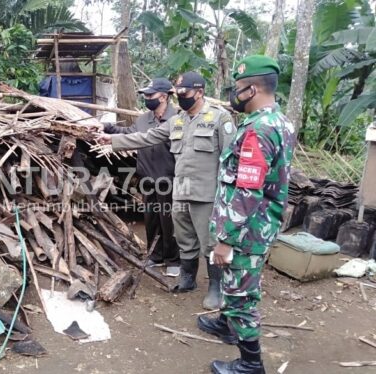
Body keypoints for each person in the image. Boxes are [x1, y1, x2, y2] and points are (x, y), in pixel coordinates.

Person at [96, 72, 235, 310]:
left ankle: (215, 288)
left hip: (206, 193)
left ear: (199, 92)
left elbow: (230, 160)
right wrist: (111, 140)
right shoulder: (177, 121)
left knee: (210, 242)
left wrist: (227, 197)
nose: (180, 97)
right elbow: (147, 137)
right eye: (178, 93)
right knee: (184, 238)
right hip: (179, 190)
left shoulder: (219, 118)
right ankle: (188, 279)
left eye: (185, 93)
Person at [198, 55, 295, 374]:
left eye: (237, 88)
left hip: (247, 230)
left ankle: (251, 363)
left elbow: (248, 189)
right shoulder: (279, 120)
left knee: (241, 294)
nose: (233, 95)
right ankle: (227, 324)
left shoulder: (259, 128)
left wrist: (226, 239)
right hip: (257, 224)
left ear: (251, 90)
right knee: (233, 281)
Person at [103, 78, 180, 277]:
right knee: (151, 217)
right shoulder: (144, 119)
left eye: (150, 95)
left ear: (164, 96)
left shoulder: (178, 118)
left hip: (169, 178)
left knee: (169, 220)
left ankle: (173, 259)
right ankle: (156, 255)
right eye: (144, 95)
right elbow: (129, 134)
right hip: (147, 176)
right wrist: (108, 128)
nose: (146, 98)